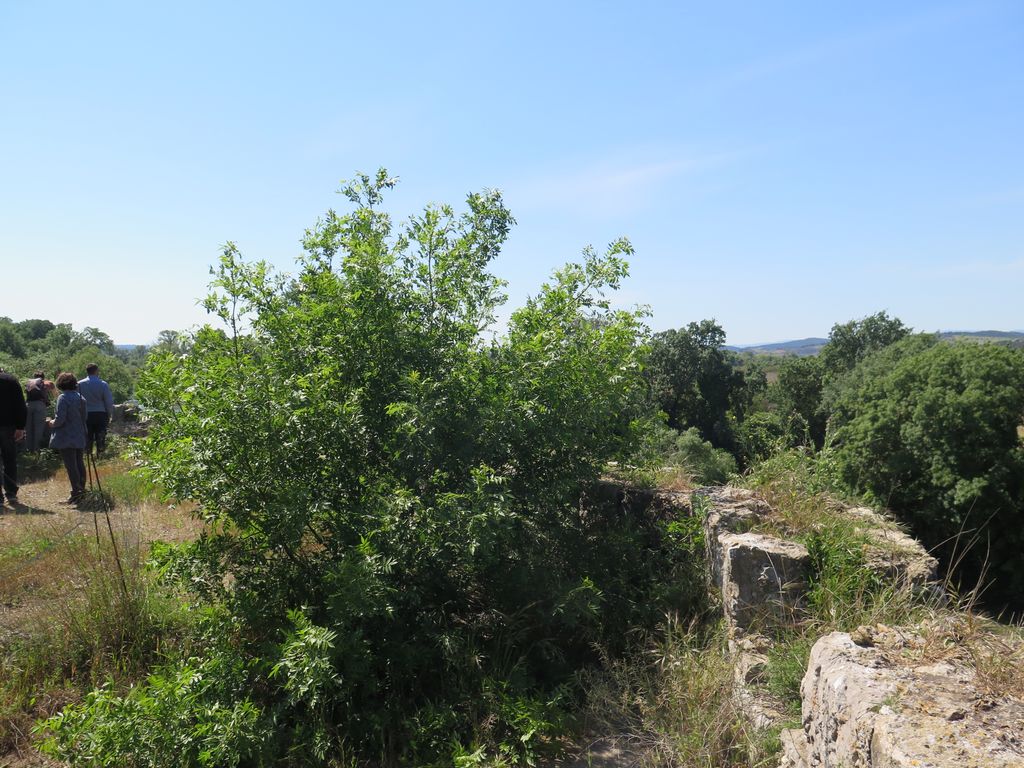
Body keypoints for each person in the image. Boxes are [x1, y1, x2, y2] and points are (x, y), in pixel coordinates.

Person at [48, 372, 88, 504]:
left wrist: (50, 422)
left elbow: (60, 420)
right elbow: (84, 418)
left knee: (71, 466)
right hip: (79, 434)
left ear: (61, 384)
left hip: (66, 436)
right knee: (79, 463)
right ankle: (82, 490)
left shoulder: (63, 398)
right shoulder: (81, 398)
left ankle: (76, 494)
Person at [0, 367, 28, 506]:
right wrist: (20, 427)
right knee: (9, 460)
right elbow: (20, 406)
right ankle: (11, 494)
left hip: (8, 426)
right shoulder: (11, 380)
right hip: (8, 426)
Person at [78, 363, 114, 455]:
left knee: (88, 435)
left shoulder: (79, 384)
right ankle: (100, 454)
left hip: (86, 414)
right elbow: (108, 401)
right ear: (96, 371)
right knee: (100, 434)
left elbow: (77, 400)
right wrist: (109, 414)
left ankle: (88, 454)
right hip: (100, 413)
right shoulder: (103, 384)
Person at [24, 370, 51, 452]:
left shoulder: (29, 383)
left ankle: (28, 448)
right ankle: (36, 449)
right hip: (40, 405)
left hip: (28, 405)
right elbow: (45, 396)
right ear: (43, 377)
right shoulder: (43, 383)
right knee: (39, 427)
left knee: (28, 428)